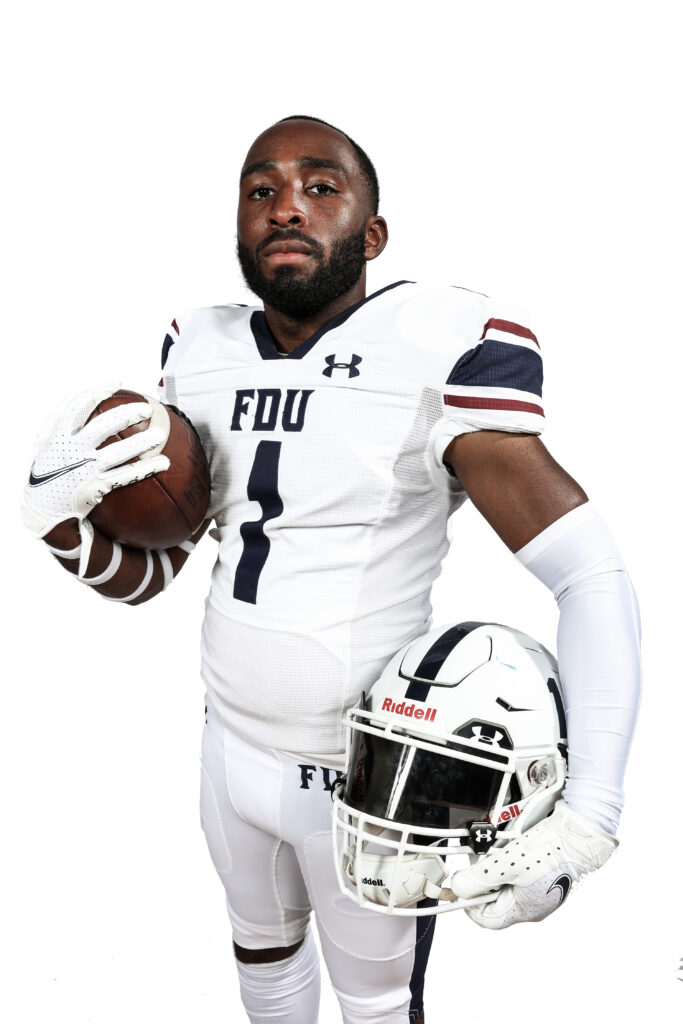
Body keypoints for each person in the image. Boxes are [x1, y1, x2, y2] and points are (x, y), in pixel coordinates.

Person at [22, 115, 641, 1024]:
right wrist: (55, 526)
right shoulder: (194, 349)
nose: (286, 208)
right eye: (261, 191)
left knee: (377, 1005)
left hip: (368, 777)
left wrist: (590, 811)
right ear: (237, 225)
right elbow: (158, 573)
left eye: (319, 187)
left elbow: (589, 576)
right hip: (226, 746)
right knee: (261, 970)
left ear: (372, 232)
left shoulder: (440, 340)